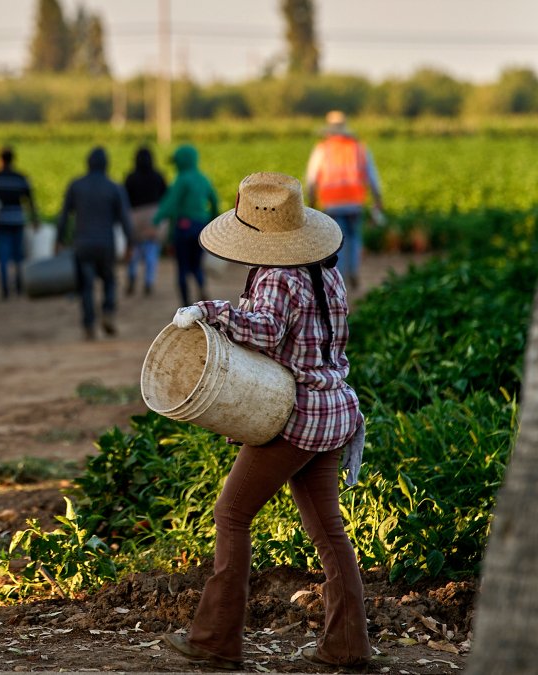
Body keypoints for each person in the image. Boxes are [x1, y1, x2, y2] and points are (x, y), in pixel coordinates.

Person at [164, 172, 370, 672]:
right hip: (334, 410)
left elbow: (263, 330)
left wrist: (208, 311)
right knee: (329, 532)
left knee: (231, 514)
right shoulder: (325, 269)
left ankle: (215, 641)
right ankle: (348, 646)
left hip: (296, 416)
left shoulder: (279, 276)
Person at [56, 147, 133, 340]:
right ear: (106, 164)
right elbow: (125, 219)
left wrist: (59, 240)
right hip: (106, 244)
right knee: (109, 280)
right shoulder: (114, 187)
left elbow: (64, 215)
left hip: (82, 244)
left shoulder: (76, 185)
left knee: (86, 286)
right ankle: (107, 312)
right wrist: (130, 244)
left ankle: (89, 323)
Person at [304, 110, 384, 290]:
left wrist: (311, 200)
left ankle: (338, 279)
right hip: (355, 202)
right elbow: (372, 176)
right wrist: (378, 199)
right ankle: (353, 271)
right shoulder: (358, 148)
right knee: (355, 238)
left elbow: (311, 177)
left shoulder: (323, 148)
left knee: (336, 241)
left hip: (332, 203)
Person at [153, 144, 219, 306]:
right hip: (201, 228)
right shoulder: (204, 179)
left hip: (183, 227)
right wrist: (212, 221)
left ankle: (185, 303)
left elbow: (171, 204)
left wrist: (156, 219)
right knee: (196, 265)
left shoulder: (181, 180)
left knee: (182, 267)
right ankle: (202, 290)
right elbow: (214, 202)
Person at [0, 146, 38, 300]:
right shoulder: (21, 178)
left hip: (1, 220)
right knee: (18, 256)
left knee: (3, 256)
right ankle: (18, 287)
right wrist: (35, 219)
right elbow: (30, 200)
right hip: (18, 220)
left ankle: (5, 289)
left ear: (0, 159)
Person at [122, 146, 168, 297]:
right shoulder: (158, 176)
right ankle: (148, 282)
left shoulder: (130, 177)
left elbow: (124, 198)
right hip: (154, 216)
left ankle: (132, 277)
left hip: (134, 216)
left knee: (134, 249)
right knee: (151, 250)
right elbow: (165, 195)